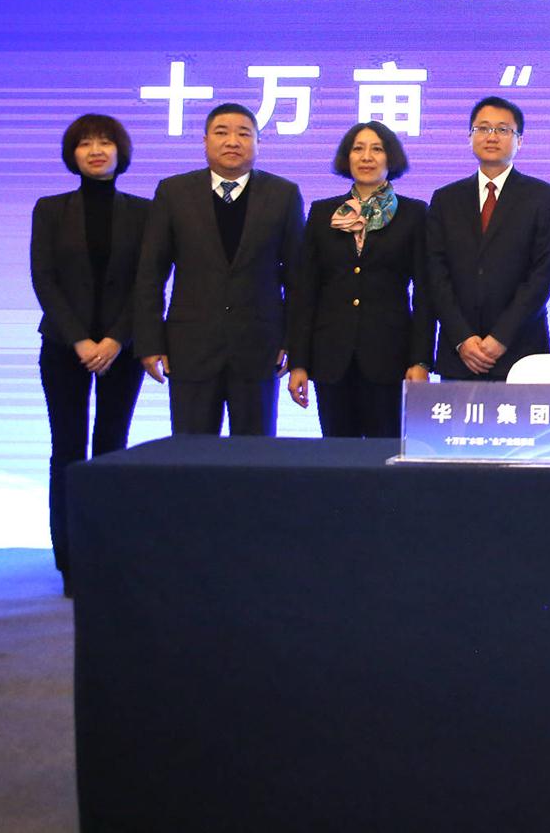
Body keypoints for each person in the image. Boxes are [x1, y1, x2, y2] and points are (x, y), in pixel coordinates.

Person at [134, 103, 304, 435]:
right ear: (205, 141)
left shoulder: (283, 194)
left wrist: (292, 341)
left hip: (259, 348)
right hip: (190, 348)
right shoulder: (173, 192)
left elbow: (298, 278)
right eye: (221, 132)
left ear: (258, 143)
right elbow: (150, 274)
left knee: (254, 454)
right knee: (192, 453)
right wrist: (150, 342)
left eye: (244, 134)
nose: (232, 141)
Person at [30, 113, 148, 591]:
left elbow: (148, 283)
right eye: (85, 144)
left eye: (105, 142)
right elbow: (45, 280)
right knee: (68, 448)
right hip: (64, 346)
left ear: (121, 152)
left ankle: (107, 558)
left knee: (111, 447)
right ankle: (71, 562)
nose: (96, 151)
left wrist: (116, 339)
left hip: (123, 347)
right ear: (72, 154)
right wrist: (80, 339)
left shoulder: (144, 211)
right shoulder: (49, 209)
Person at [285, 121, 433, 438]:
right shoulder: (322, 213)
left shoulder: (414, 214)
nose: (367, 157)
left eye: (377, 149)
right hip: (330, 356)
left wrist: (420, 360)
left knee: (384, 452)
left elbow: (425, 293)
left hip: (389, 355)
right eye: (358, 149)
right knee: (337, 453)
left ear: (391, 158)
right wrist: (299, 362)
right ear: (347, 157)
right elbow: (305, 292)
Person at [425, 96, 550, 381]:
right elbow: (436, 275)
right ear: (470, 136)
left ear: (519, 140)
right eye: (483, 128)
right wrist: (462, 338)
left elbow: (542, 275)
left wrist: (500, 338)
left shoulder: (541, 196)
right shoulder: (445, 199)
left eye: (503, 129)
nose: (492, 136)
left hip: (522, 351)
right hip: (460, 354)